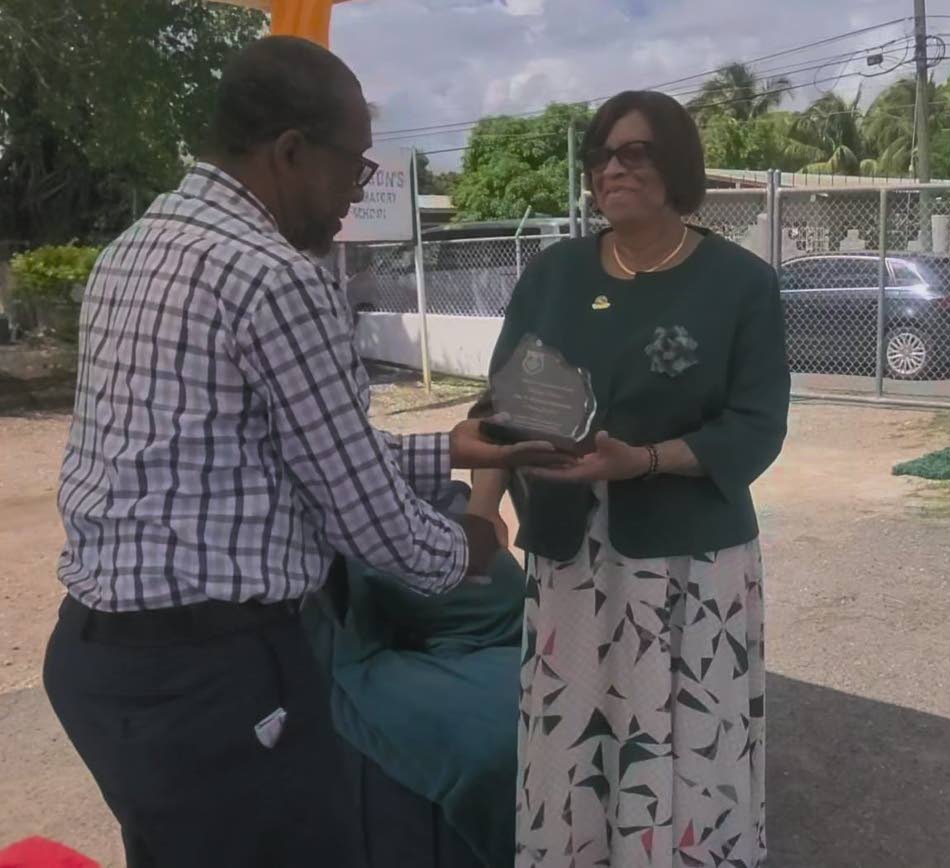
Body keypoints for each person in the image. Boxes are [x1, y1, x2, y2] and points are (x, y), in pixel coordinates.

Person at [42, 36, 556, 868]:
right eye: (354, 167)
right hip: (213, 676)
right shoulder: (272, 276)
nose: (356, 193)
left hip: (98, 665)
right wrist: (475, 538)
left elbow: (267, 452)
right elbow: (371, 523)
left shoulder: (131, 250)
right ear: (290, 151)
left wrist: (451, 447)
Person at [468, 91, 790, 868]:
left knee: (683, 741)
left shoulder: (739, 283)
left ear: (676, 166)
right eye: (601, 156)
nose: (612, 169)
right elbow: (501, 407)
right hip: (569, 559)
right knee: (573, 744)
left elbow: (756, 426)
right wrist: (482, 512)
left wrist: (643, 460)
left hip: (689, 568)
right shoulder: (554, 274)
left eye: (635, 153)